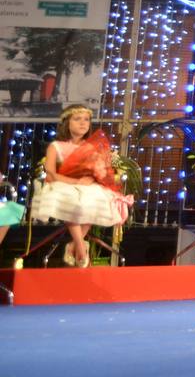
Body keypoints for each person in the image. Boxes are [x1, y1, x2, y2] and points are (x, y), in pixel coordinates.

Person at [29, 104, 131, 266]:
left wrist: (100, 174)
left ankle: (75, 244)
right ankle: (81, 247)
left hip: (85, 186)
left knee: (94, 198)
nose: (83, 123)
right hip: (61, 183)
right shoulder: (55, 146)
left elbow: (97, 171)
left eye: (86, 120)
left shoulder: (90, 147)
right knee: (73, 200)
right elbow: (50, 173)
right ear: (66, 123)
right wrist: (75, 181)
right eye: (77, 119)